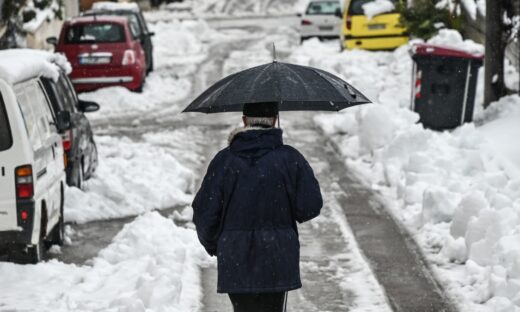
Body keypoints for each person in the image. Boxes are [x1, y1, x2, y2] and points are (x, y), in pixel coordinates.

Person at [192, 102, 323, 312]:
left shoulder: (224, 161)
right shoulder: (290, 159)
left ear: (244, 121)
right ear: (274, 121)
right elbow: (310, 207)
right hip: (277, 258)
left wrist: (216, 245)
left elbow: (204, 214)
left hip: (236, 258)